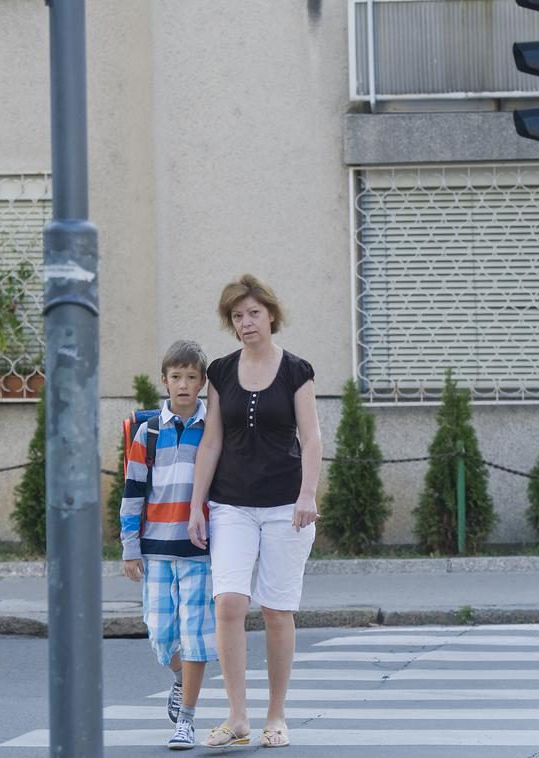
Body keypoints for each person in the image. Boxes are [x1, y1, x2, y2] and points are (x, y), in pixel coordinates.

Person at [187, 274, 321, 749]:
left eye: (254, 314)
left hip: (287, 506)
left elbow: (312, 439)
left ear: (271, 315)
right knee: (229, 603)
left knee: (277, 611)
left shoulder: (296, 370)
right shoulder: (221, 372)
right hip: (231, 505)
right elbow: (212, 441)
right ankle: (237, 716)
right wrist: (197, 505)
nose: (246, 322)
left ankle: (276, 714)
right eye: (237, 316)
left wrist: (308, 495)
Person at [119, 340, 216, 750]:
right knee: (161, 635)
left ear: (202, 382)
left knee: (195, 636)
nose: (183, 384)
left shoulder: (214, 428)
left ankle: (187, 721)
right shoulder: (149, 431)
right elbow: (133, 491)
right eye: (176, 377)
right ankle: (178, 677)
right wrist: (129, 545)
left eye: (191, 377)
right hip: (156, 550)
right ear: (165, 380)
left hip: (198, 550)